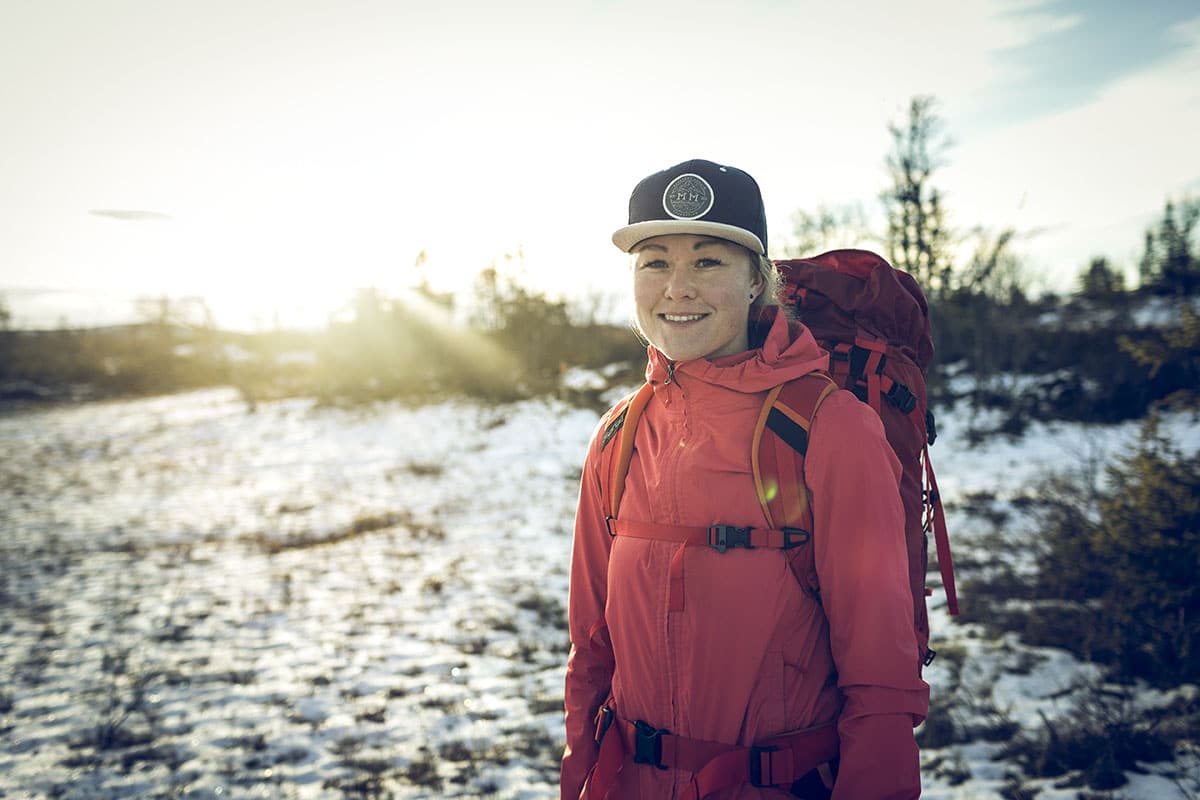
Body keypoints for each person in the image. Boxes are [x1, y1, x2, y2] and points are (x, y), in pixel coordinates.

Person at [561, 159, 930, 799]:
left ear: (758, 279)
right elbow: (591, 652)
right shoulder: (618, 435)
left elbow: (881, 675)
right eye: (655, 263)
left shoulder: (831, 426)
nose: (678, 288)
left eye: (708, 262)